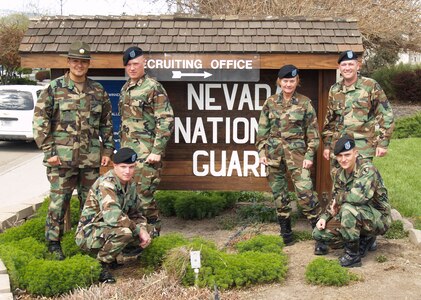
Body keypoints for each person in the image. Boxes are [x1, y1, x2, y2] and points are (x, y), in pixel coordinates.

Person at [33, 40, 114, 260]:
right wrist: (49, 153)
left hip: (90, 160)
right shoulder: (54, 88)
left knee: (91, 202)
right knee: (59, 203)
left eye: (83, 61)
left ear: (88, 64)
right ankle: (53, 243)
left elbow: (106, 124)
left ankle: (89, 242)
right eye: (75, 61)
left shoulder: (97, 91)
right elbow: (40, 123)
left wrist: (107, 152)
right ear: (68, 62)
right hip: (61, 160)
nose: (79, 65)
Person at [256, 64, 322, 250]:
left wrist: (310, 155)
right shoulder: (270, 103)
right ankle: (286, 233)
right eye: (285, 81)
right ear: (279, 81)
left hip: (298, 156)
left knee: (305, 193)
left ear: (297, 81)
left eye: (292, 81)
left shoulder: (304, 103)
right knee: (279, 194)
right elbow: (262, 132)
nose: (288, 84)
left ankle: (319, 235)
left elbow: (313, 133)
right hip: (274, 156)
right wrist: (262, 153)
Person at [118, 46, 174, 236]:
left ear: (144, 64)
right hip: (129, 158)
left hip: (147, 155)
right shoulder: (126, 88)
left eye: (136, 64)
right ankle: (139, 238)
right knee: (131, 199)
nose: (132, 68)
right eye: (129, 65)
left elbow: (165, 119)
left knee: (144, 198)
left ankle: (155, 234)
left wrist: (157, 150)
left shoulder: (152, 87)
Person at [313, 134, 392, 267]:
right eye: (340, 156)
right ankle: (363, 239)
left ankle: (353, 255)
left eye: (347, 155)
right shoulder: (339, 174)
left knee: (347, 208)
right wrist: (324, 217)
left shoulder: (367, 170)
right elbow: (334, 199)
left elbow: (357, 198)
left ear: (355, 153)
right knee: (319, 233)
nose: (343, 159)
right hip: (354, 214)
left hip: (378, 219)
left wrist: (339, 200)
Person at [76, 147, 151, 283]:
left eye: (131, 167)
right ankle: (100, 266)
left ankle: (116, 255)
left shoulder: (130, 184)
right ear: (114, 165)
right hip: (89, 233)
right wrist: (138, 230)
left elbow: (136, 213)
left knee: (150, 230)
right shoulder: (106, 184)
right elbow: (113, 218)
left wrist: (143, 228)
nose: (127, 171)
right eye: (123, 167)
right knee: (125, 233)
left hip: (107, 229)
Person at [322, 50, 395, 166]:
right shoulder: (334, 90)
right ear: (339, 67)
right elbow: (330, 121)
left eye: (351, 64)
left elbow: (385, 115)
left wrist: (383, 143)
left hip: (362, 149)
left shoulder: (370, 86)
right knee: (339, 183)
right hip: (339, 149)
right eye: (344, 64)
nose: (347, 68)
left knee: (361, 183)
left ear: (358, 66)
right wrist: (327, 145)